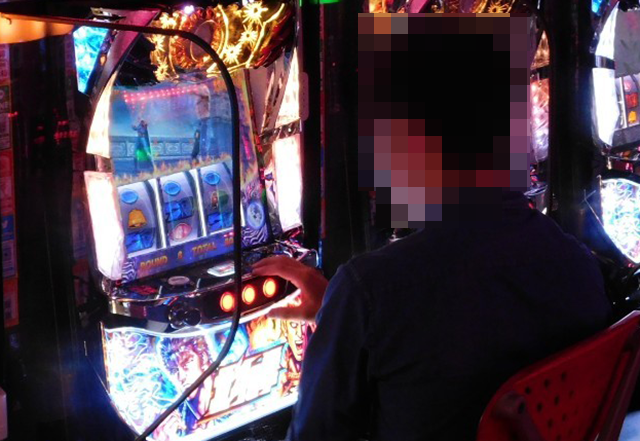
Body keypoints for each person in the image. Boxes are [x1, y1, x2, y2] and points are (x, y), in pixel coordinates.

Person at [251, 189, 612, 441]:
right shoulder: (578, 262)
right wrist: (340, 313)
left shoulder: (369, 288)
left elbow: (314, 435)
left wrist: (346, 310)